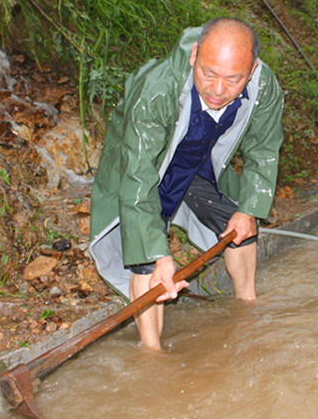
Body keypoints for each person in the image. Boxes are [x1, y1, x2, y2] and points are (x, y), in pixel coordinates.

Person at [88, 18, 284, 351]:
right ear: (194, 56)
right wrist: (158, 253)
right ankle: (152, 353)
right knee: (147, 256)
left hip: (196, 161)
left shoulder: (265, 88)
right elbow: (138, 178)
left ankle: (247, 309)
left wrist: (250, 209)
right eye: (209, 74)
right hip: (147, 158)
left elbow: (263, 149)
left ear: (250, 72)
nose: (218, 90)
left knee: (236, 225)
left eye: (233, 79)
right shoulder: (157, 90)